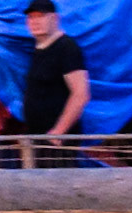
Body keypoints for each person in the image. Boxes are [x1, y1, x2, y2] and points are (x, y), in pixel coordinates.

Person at [22, 0, 88, 169]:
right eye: (31, 17)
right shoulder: (38, 49)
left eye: (41, 16)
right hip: (39, 138)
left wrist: (59, 131)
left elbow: (81, 94)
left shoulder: (67, 48)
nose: (35, 21)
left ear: (55, 18)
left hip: (57, 142)